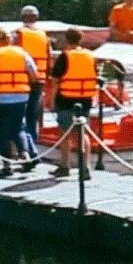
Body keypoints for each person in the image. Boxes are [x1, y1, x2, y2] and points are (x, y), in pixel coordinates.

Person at [0, 28, 38, 172]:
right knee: (18, 127)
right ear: (11, 39)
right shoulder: (22, 54)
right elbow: (34, 74)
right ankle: (25, 154)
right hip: (21, 97)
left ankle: (6, 164)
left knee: (1, 131)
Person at [50, 27, 99, 177]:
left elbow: (55, 80)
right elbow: (95, 75)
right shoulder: (90, 56)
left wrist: (51, 100)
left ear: (66, 39)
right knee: (82, 132)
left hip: (66, 99)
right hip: (85, 99)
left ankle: (65, 166)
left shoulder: (65, 56)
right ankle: (85, 167)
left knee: (65, 132)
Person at [17, 5, 52, 146]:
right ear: (37, 17)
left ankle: (23, 144)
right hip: (39, 78)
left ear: (22, 17)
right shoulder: (44, 36)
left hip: (22, 79)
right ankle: (34, 142)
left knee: (19, 113)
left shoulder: (19, 34)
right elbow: (49, 56)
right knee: (33, 112)